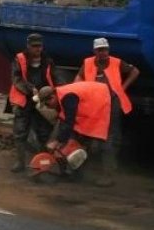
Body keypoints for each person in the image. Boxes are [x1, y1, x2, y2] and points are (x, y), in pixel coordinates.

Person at [72, 37, 139, 186]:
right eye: (100, 50)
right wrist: (78, 89)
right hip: (94, 103)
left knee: (110, 138)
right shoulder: (88, 62)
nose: (103, 52)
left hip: (112, 103)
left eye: (105, 49)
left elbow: (135, 71)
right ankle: (80, 170)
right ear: (94, 51)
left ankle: (109, 174)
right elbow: (79, 76)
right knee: (87, 135)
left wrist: (123, 87)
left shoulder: (116, 62)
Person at [37, 82, 113, 186]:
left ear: (52, 97)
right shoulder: (60, 96)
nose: (48, 107)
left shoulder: (68, 98)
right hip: (90, 103)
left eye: (47, 104)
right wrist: (60, 140)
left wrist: (57, 141)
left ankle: (108, 177)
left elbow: (69, 122)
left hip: (102, 100)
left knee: (103, 142)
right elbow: (65, 121)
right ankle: (75, 174)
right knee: (77, 140)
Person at [8, 33, 59, 173]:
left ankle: (44, 162)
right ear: (28, 46)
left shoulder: (47, 61)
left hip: (42, 101)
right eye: (34, 46)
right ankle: (20, 162)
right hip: (24, 100)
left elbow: (54, 78)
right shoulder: (20, 59)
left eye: (39, 46)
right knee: (20, 132)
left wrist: (55, 93)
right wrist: (30, 90)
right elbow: (16, 78)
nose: (37, 49)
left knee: (44, 131)